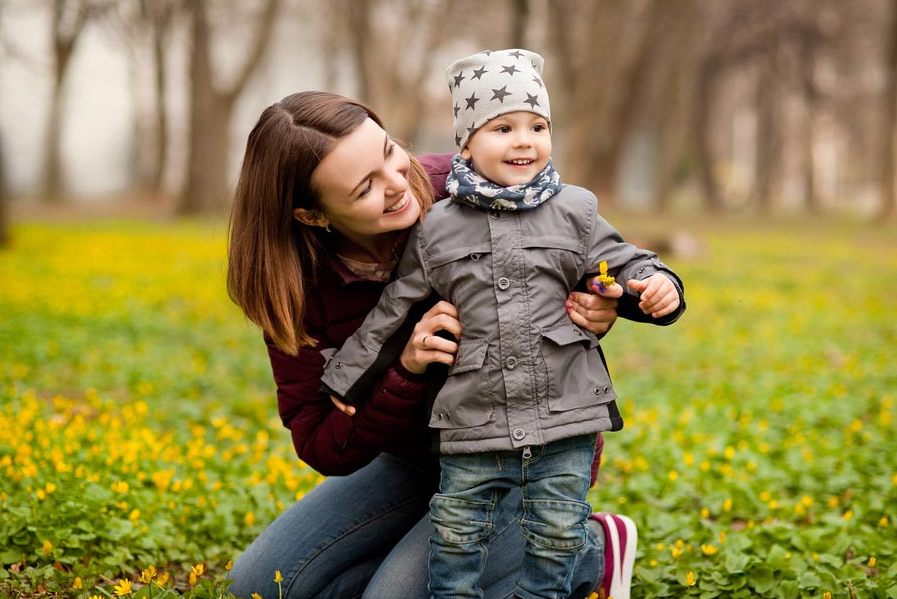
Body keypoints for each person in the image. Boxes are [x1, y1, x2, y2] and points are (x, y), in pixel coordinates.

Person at [225, 90, 645, 599]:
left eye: (387, 153)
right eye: (364, 189)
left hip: (520, 450)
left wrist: (596, 306)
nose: (399, 185)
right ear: (313, 216)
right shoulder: (295, 286)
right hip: (415, 459)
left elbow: (578, 253)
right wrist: (403, 373)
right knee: (260, 586)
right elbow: (319, 440)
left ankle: (593, 548)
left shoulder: (473, 182)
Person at [322, 49, 686, 599]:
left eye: (537, 126)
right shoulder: (436, 228)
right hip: (474, 418)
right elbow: (393, 310)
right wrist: (344, 378)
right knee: (457, 534)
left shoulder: (577, 210)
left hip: (565, 411)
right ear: (465, 143)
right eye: (503, 127)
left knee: (558, 531)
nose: (524, 140)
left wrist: (656, 287)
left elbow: (620, 265)